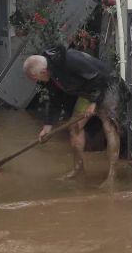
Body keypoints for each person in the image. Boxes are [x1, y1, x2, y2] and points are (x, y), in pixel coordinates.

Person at [23, 45, 126, 187]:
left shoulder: (70, 60)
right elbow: (54, 100)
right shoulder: (52, 71)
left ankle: (112, 176)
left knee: (109, 127)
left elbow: (98, 78)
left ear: (43, 71)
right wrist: (47, 126)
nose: (39, 81)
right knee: (75, 126)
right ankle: (78, 169)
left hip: (108, 86)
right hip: (89, 92)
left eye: (37, 78)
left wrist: (94, 103)